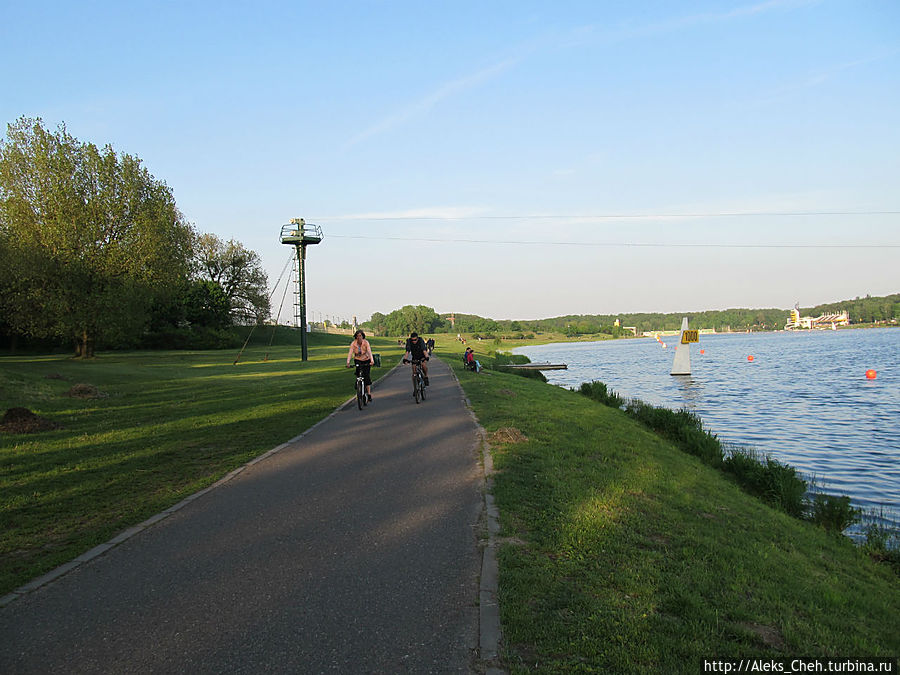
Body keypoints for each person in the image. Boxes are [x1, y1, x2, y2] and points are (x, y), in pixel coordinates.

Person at [346, 329, 375, 402]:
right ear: (355, 337)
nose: (359, 337)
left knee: (367, 376)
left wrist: (372, 360)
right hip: (358, 359)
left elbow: (369, 351)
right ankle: (358, 385)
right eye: (357, 336)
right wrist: (348, 362)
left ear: (363, 336)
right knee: (358, 372)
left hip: (366, 359)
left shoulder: (366, 343)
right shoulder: (353, 343)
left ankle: (368, 394)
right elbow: (350, 353)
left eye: (360, 336)